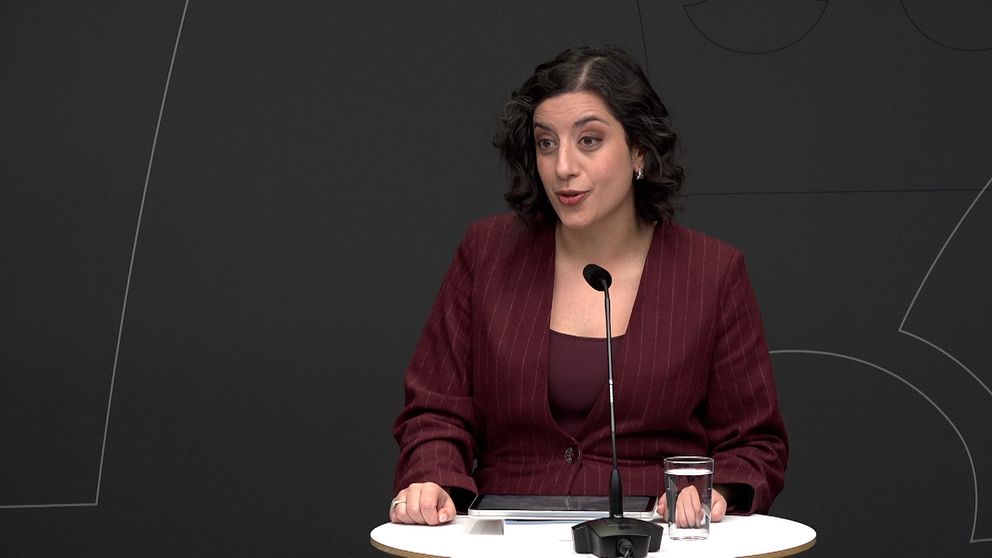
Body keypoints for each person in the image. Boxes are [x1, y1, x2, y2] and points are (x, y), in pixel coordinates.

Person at [389, 46, 788, 527]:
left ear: (639, 150)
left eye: (589, 140)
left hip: (651, 538)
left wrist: (712, 491)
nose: (563, 166)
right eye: (546, 143)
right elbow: (435, 411)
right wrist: (431, 477)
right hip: (506, 536)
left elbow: (755, 444)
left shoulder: (713, 272)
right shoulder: (486, 251)